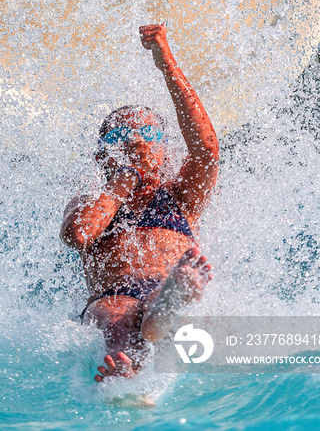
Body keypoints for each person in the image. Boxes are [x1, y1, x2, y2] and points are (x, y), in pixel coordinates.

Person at [60, 23, 219, 382]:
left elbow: (207, 149)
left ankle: (167, 303)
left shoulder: (180, 198)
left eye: (149, 134)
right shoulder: (90, 202)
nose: (136, 142)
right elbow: (78, 235)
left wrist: (166, 62)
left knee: (150, 314)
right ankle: (129, 360)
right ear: (102, 157)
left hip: (161, 282)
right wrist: (122, 182)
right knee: (114, 318)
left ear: (164, 151)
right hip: (111, 295)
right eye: (120, 137)